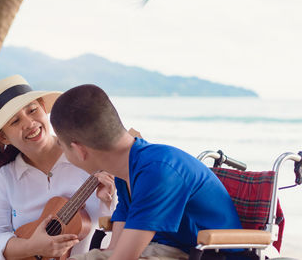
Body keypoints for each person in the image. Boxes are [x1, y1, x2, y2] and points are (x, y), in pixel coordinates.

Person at [49, 84, 242, 260]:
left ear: (79, 150)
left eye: (62, 145)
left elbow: (124, 257)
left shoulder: (158, 171)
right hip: (165, 250)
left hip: (206, 255)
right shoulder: (127, 170)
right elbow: (114, 250)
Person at [0, 76, 115, 260]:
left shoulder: (89, 155)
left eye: (32, 110)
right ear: (3, 137)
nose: (29, 123)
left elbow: (115, 229)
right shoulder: (7, 178)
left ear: (44, 108)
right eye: (15, 121)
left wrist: (108, 203)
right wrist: (30, 247)